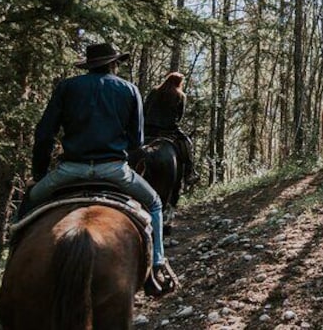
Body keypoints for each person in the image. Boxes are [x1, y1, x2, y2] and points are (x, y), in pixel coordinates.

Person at [27, 42, 177, 296]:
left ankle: (13, 267)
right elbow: (137, 143)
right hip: (114, 171)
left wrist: (39, 174)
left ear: (89, 65)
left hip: (69, 171)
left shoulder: (67, 87)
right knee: (154, 203)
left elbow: (44, 135)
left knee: (30, 202)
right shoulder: (129, 90)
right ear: (113, 63)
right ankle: (157, 265)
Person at [143, 72, 199, 186]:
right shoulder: (180, 96)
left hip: (148, 128)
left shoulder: (154, 91)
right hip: (168, 130)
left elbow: (145, 109)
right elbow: (180, 116)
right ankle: (189, 173)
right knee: (187, 144)